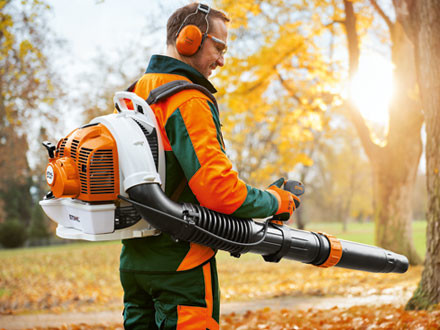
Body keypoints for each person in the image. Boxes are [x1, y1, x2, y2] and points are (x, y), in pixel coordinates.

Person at [119, 3, 300, 329]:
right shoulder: (187, 100)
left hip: (134, 262)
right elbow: (221, 193)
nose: (221, 60)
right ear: (189, 39)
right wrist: (277, 200)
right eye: (218, 47)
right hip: (180, 262)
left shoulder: (136, 93)